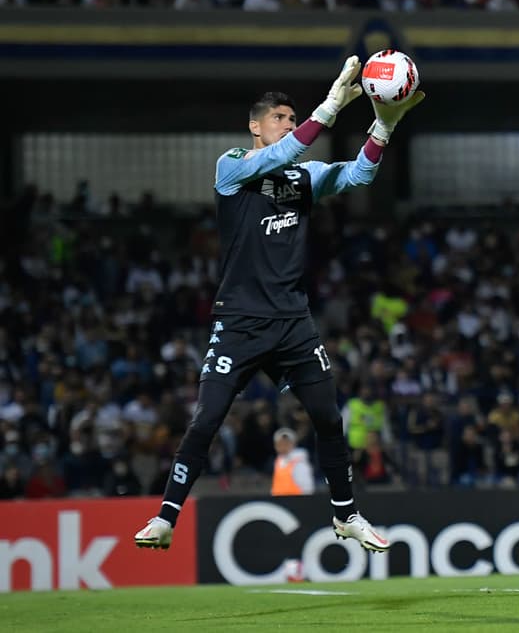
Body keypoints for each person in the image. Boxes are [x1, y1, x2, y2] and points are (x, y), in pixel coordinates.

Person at [134, 56, 424, 552]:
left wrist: (384, 125)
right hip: (239, 320)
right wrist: (328, 109)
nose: (288, 125)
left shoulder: (303, 177)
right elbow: (287, 151)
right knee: (206, 419)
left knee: (329, 417)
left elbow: (359, 176)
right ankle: (166, 517)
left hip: (292, 321)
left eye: (292, 118)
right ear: (255, 126)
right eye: (279, 119)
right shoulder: (232, 168)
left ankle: (346, 515)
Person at [270, 427, 315, 496]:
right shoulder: (278, 461)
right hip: (280, 500)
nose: (283, 446)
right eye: (280, 443)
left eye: (286, 443)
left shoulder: (299, 463)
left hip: (296, 500)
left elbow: (307, 489)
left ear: (293, 444)